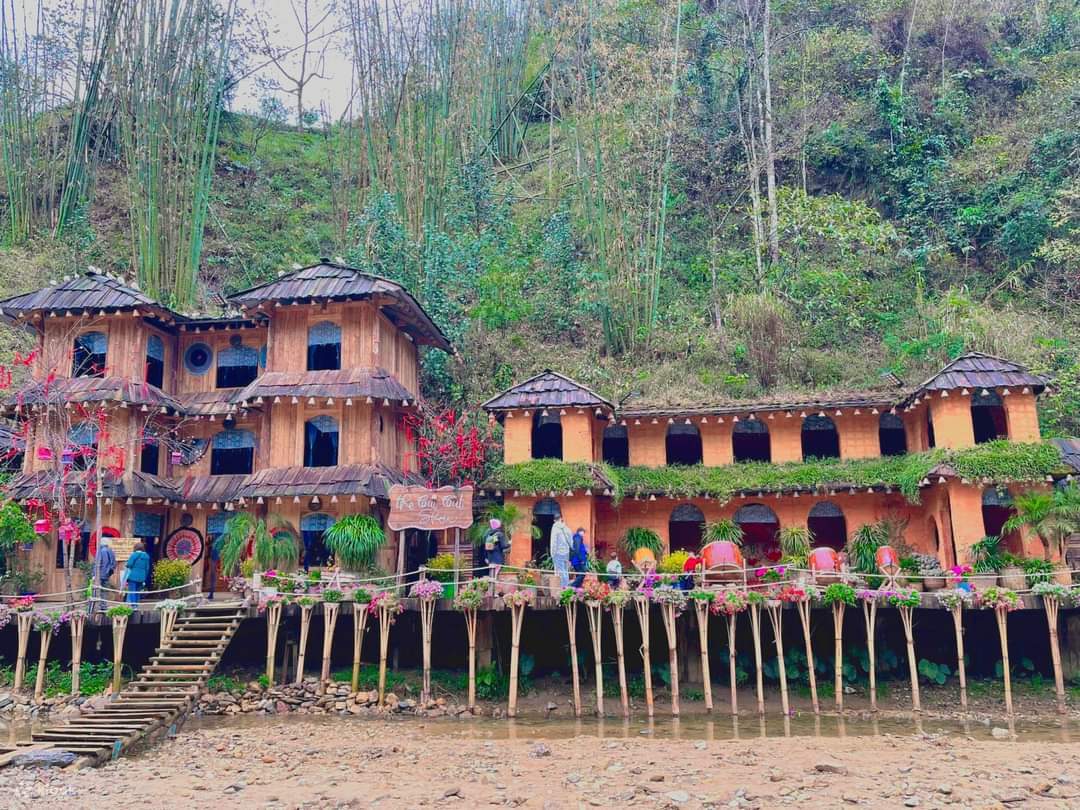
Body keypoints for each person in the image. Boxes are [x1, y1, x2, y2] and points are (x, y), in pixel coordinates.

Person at [91, 536, 116, 613]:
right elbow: (113, 563)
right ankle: (103, 606)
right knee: (104, 590)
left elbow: (99, 563)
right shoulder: (111, 551)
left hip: (100, 573)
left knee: (97, 590)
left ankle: (98, 606)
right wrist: (108, 572)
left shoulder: (101, 551)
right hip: (107, 574)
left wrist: (94, 574)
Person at [482, 518, 509, 582]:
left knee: (492, 573)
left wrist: (486, 557)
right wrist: (509, 544)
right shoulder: (500, 534)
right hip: (498, 558)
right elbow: (503, 546)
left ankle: (491, 586)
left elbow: (485, 546)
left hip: (490, 557)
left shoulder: (488, 534)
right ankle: (492, 586)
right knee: (495, 574)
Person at [550, 517, 573, 588]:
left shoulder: (555, 528)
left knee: (561, 571)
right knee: (565, 570)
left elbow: (553, 542)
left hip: (558, 553)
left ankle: (564, 588)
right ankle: (567, 587)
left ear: (554, 520)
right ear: (561, 519)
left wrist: (552, 553)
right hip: (566, 553)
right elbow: (571, 543)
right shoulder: (567, 528)